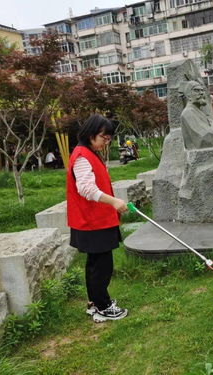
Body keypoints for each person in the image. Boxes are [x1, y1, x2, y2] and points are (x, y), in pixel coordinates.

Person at [66, 114, 128, 323]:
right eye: (104, 137)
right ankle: (103, 306)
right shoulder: (82, 156)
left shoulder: (89, 152)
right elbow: (86, 188)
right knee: (102, 266)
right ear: (91, 134)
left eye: (109, 138)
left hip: (96, 220)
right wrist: (113, 202)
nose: (106, 142)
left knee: (95, 264)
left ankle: (95, 302)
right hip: (92, 221)